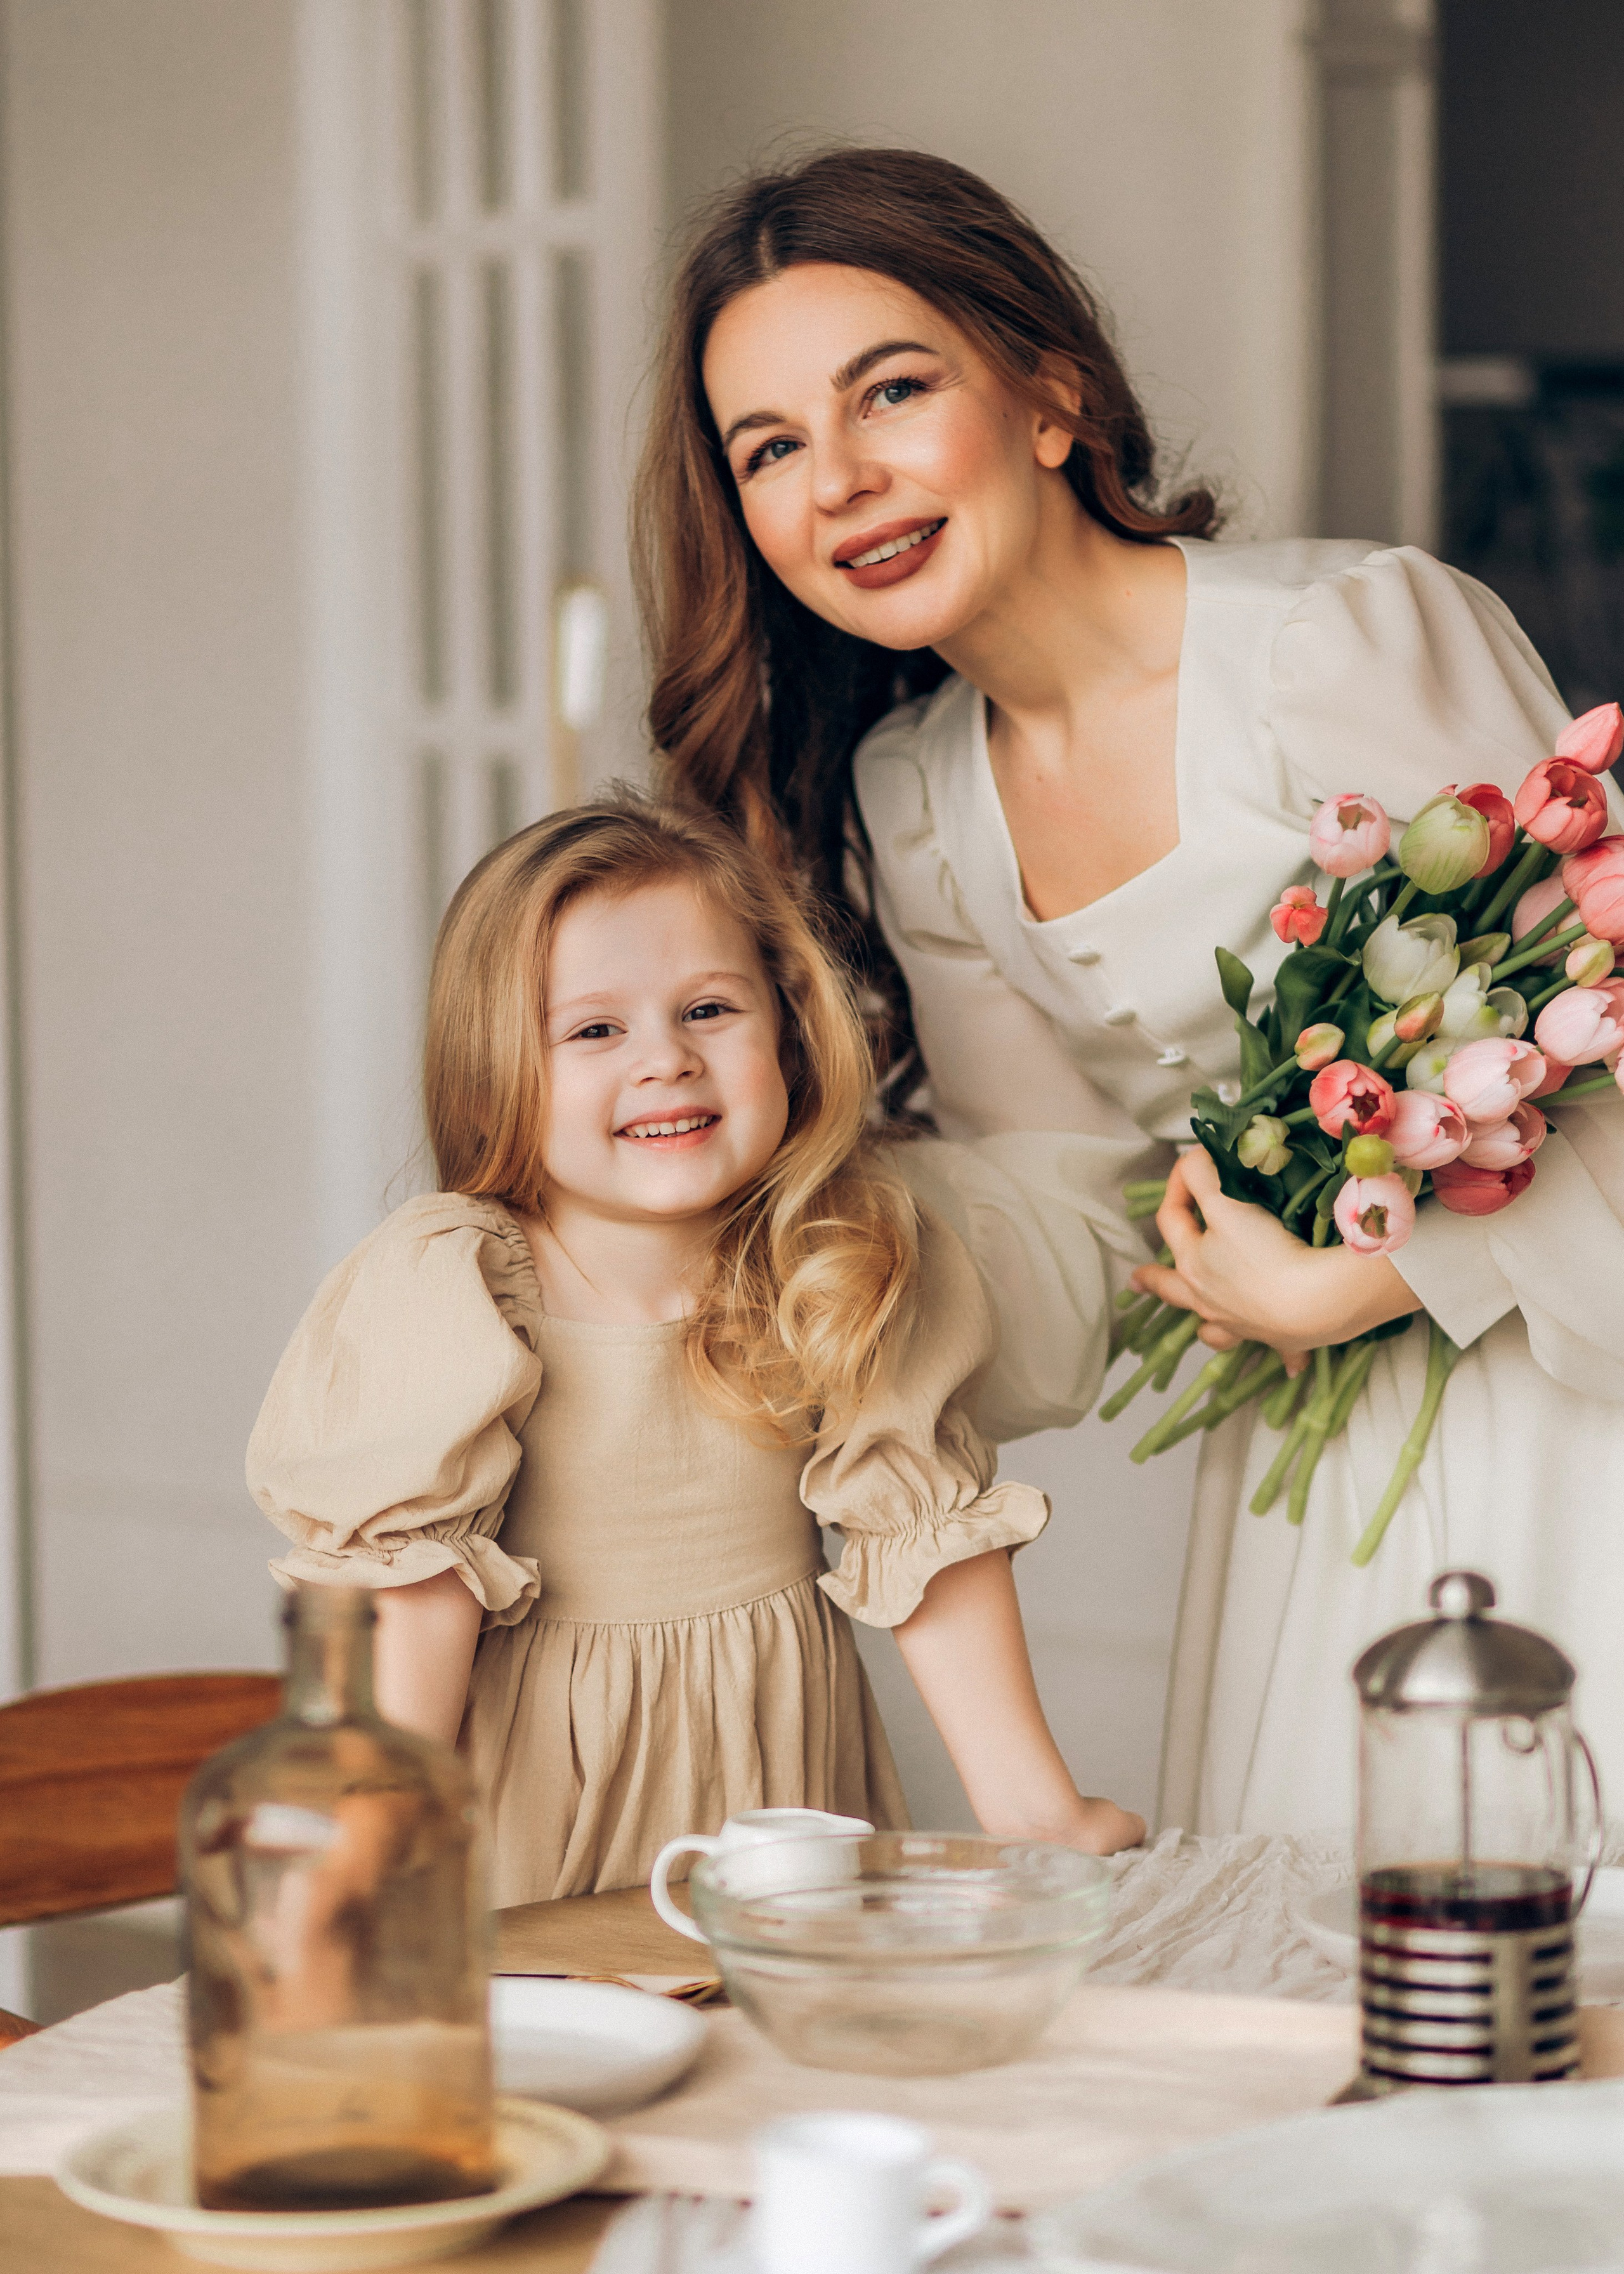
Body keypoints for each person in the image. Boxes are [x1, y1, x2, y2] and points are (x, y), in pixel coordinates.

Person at [632, 145, 1624, 1837]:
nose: (844, 480)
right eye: (774, 449)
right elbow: (1079, 1225)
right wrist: (756, 1266)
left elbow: (1599, 1042)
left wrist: (1377, 1282)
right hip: (1310, 1499)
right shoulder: (918, 797)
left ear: (1048, 397)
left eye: (893, 392)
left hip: (1566, 1407)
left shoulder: (1340, 640)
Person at [246, 797, 1144, 1902]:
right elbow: (416, 1596)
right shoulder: (457, 1285)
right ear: (495, 1070)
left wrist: (1036, 1815)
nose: (665, 1061)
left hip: (779, 1779)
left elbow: (928, 1541)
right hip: (538, 1804)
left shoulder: (840, 1254)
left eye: (708, 1009)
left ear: (790, 1027)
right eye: (594, 1030)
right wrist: (380, 1872)